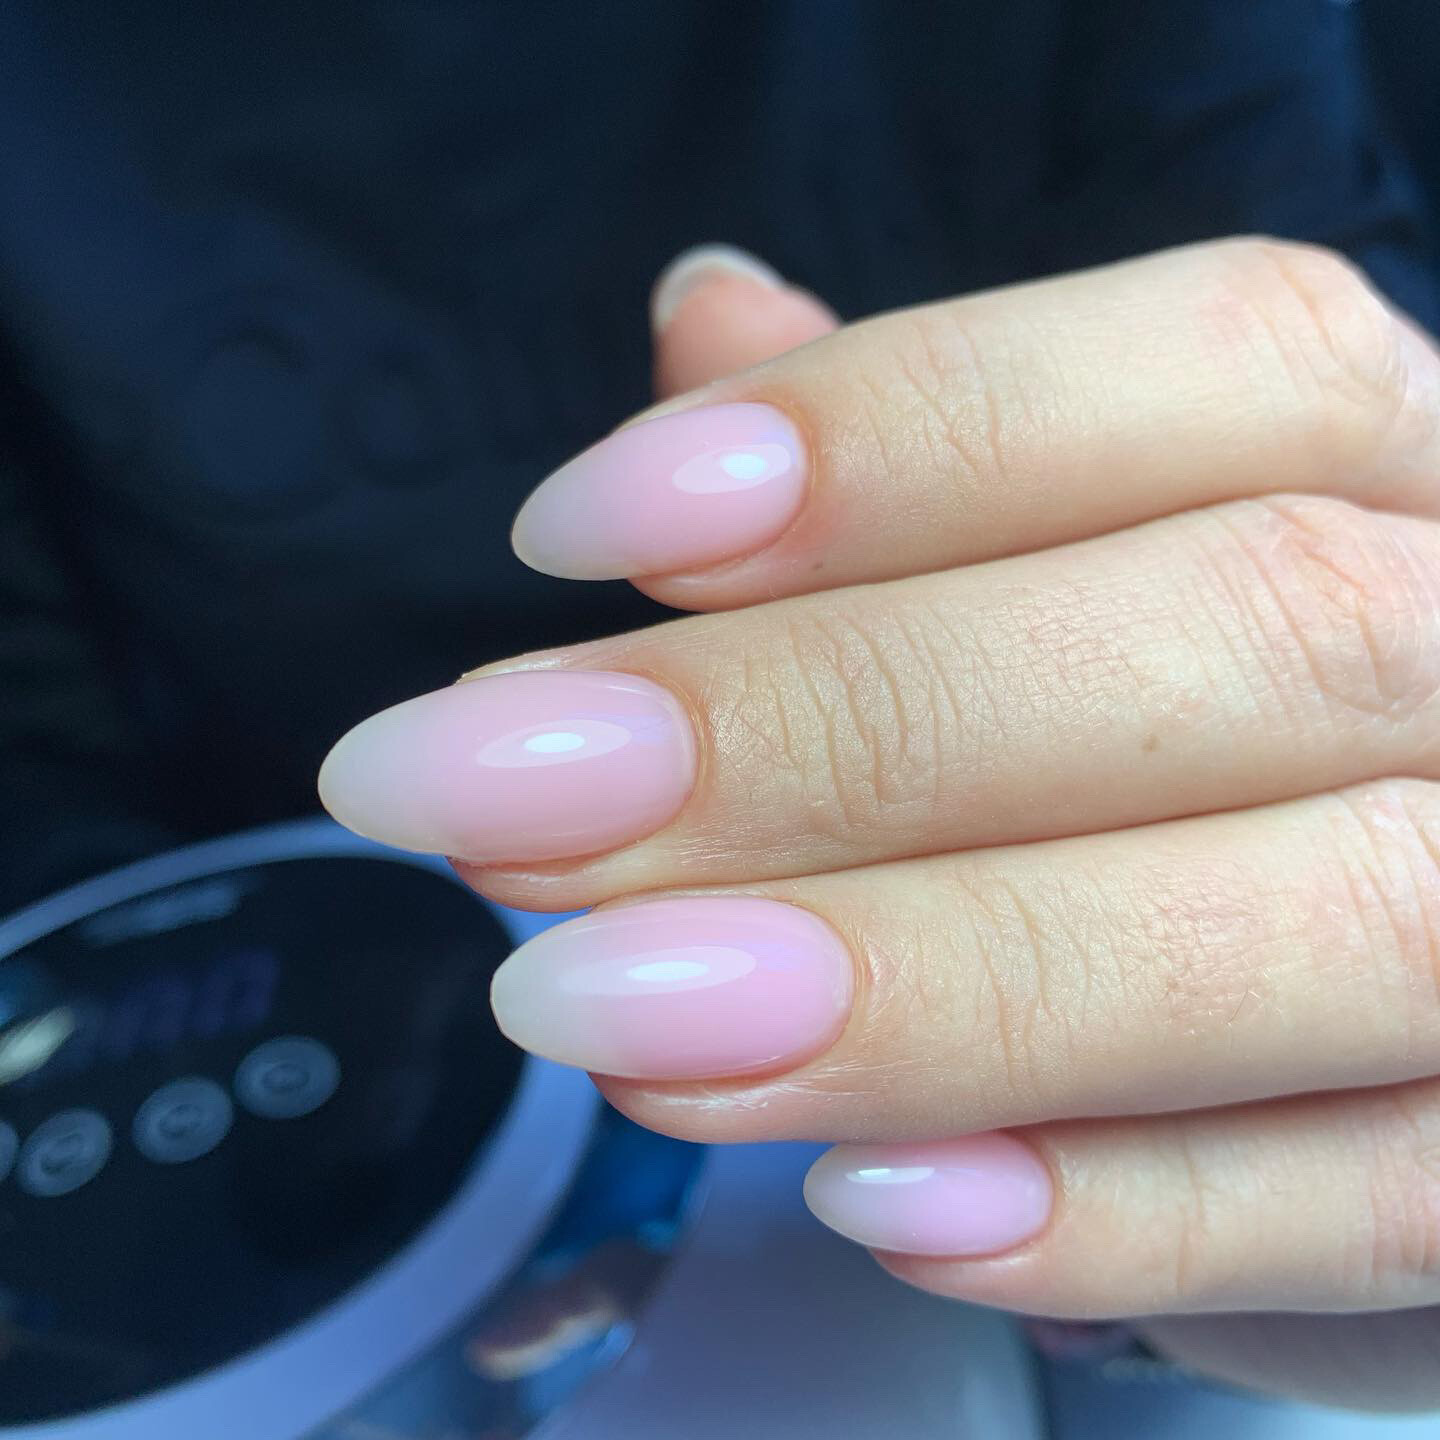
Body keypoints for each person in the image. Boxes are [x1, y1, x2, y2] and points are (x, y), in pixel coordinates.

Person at [5, 0, 1440, 1425]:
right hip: (252, 1122)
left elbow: (1335, 444)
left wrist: (1344, 729)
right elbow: (32, 743)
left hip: (1090, 1056)